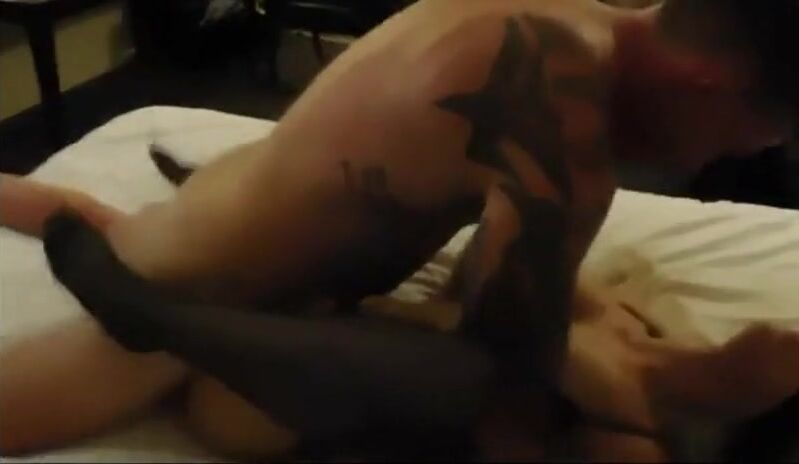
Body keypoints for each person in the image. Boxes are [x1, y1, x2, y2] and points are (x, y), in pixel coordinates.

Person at [3, 0, 799, 459]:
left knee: (549, 320)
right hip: (194, 295)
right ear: (709, 81)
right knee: (484, 384)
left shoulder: (564, 17)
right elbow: (501, 387)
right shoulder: (564, 124)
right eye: (738, 142)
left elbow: (488, 288)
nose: (707, 163)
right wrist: (624, 413)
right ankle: (160, 323)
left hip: (228, 220)